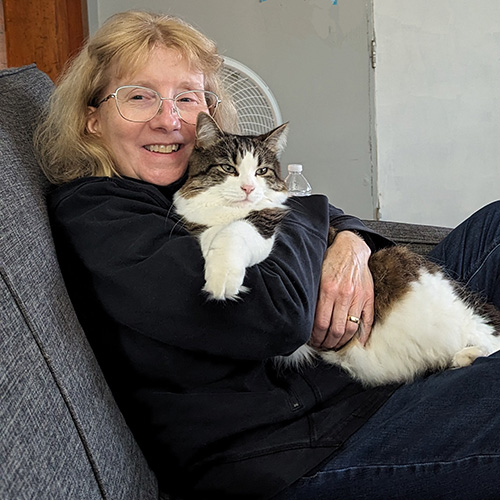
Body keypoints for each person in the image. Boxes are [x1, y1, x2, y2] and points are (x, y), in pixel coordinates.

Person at [35, 9, 500, 500]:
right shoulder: (98, 213)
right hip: (297, 451)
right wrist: (300, 210)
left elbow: (308, 214)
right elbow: (276, 313)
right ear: (91, 119)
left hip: (351, 382)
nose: (169, 119)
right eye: (138, 97)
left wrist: (350, 240)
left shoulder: (187, 181)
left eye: (186, 98)